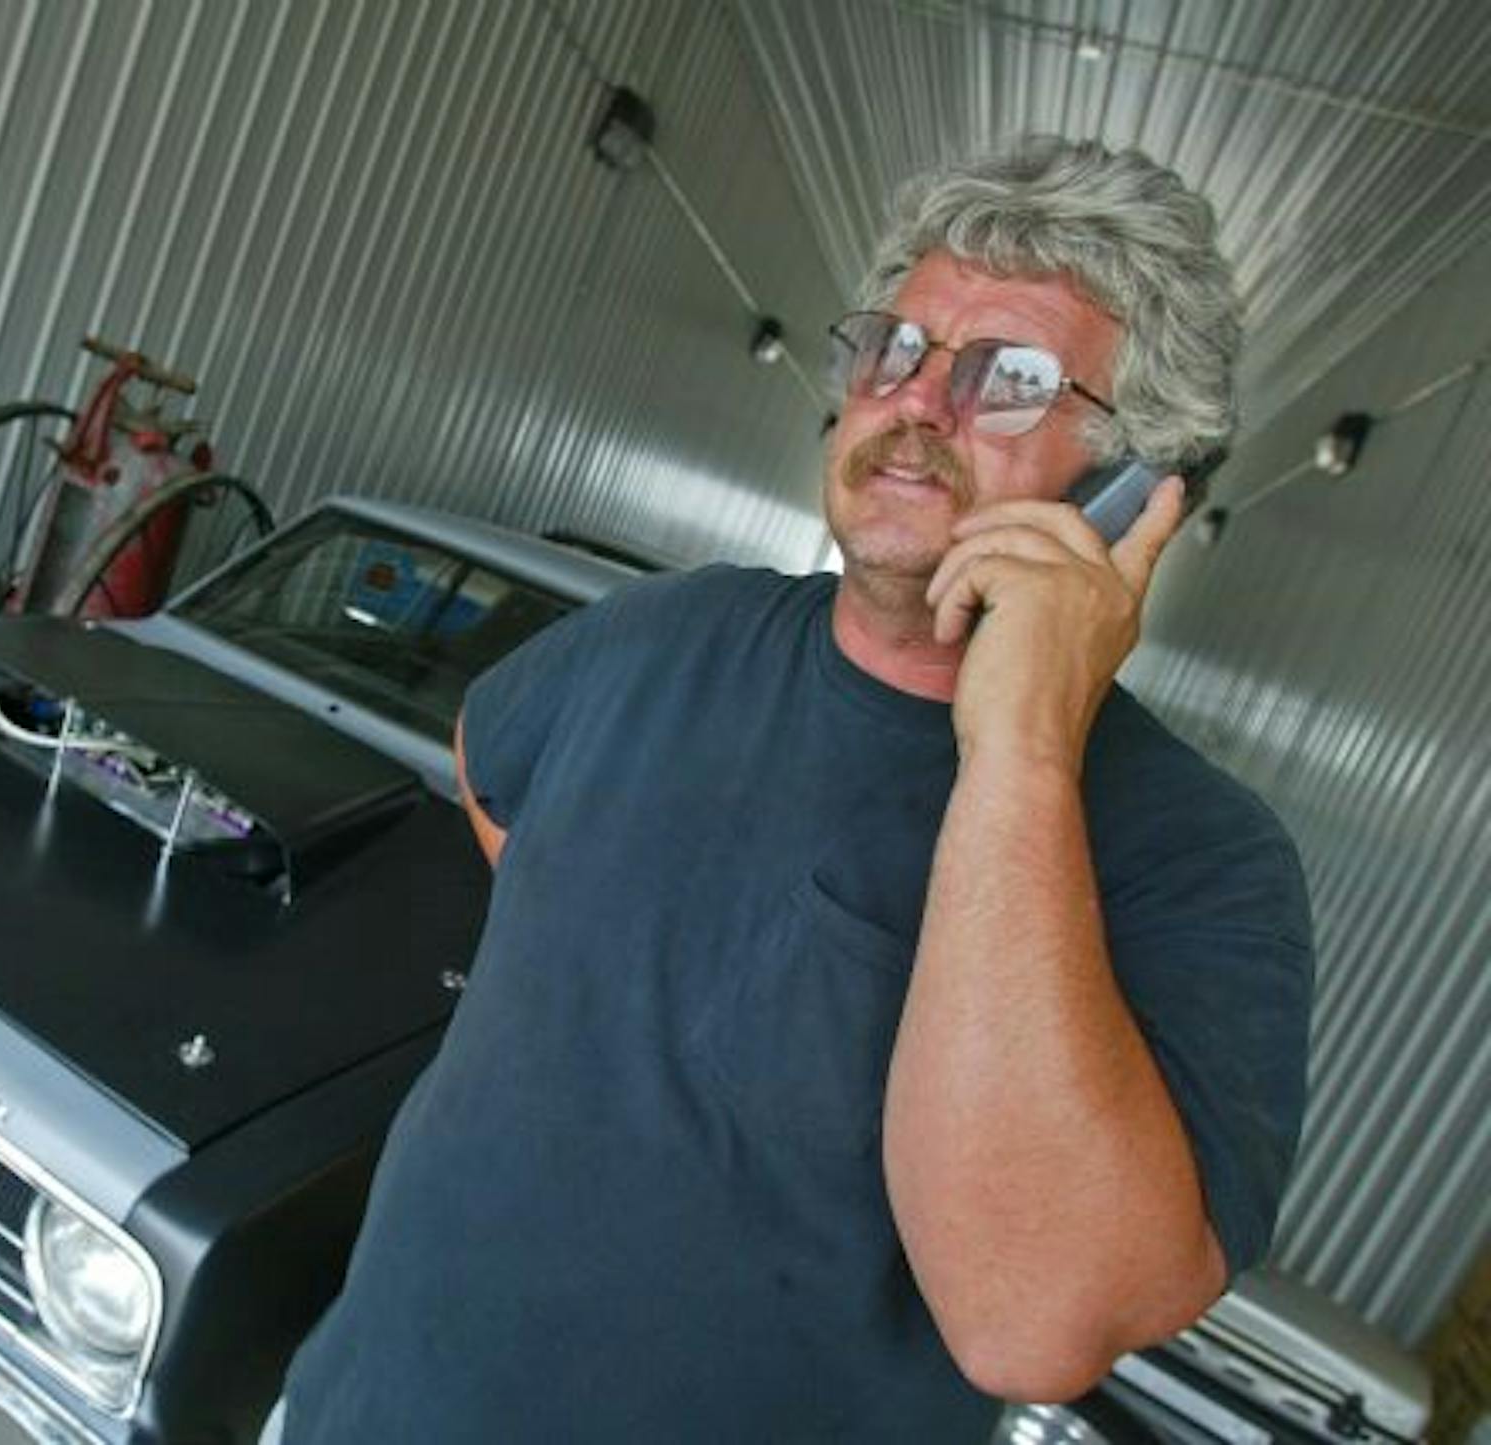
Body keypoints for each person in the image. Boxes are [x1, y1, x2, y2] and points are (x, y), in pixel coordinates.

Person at [275, 136, 1314, 1443]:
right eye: (897, 348)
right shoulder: (670, 629)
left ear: (1129, 493)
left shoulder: (1197, 857)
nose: (917, 405)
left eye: (1011, 380)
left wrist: (1021, 751)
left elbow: (1032, 1320)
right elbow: (493, 768)